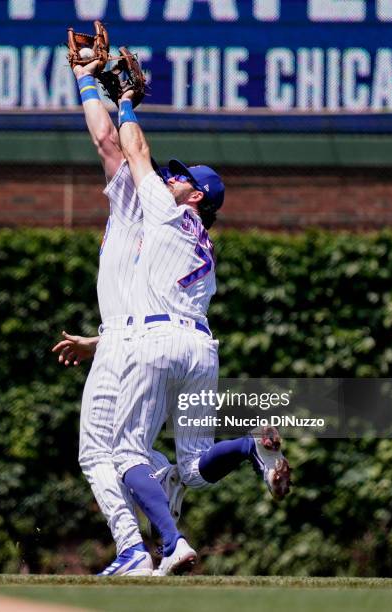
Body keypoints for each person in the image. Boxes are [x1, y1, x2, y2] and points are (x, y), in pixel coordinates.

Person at [110, 88, 291, 575]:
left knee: (123, 451)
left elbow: (135, 151)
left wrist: (124, 102)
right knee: (191, 469)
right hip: (200, 348)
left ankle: (171, 544)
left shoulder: (169, 212)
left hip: (158, 340)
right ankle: (249, 446)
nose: (172, 178)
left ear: (195, 196)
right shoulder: (204, 242)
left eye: (183, 178)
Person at [52, 57, 182, 577]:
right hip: (134, 340)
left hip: (129, 345)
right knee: (128, 449)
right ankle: (160, 475)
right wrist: (97, 340)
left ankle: (131, 550)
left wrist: (90, 81)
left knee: (95, 453)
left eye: (176, 178)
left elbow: (109, 140)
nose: (163, 178)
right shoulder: (174, 224)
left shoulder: (140, 201)